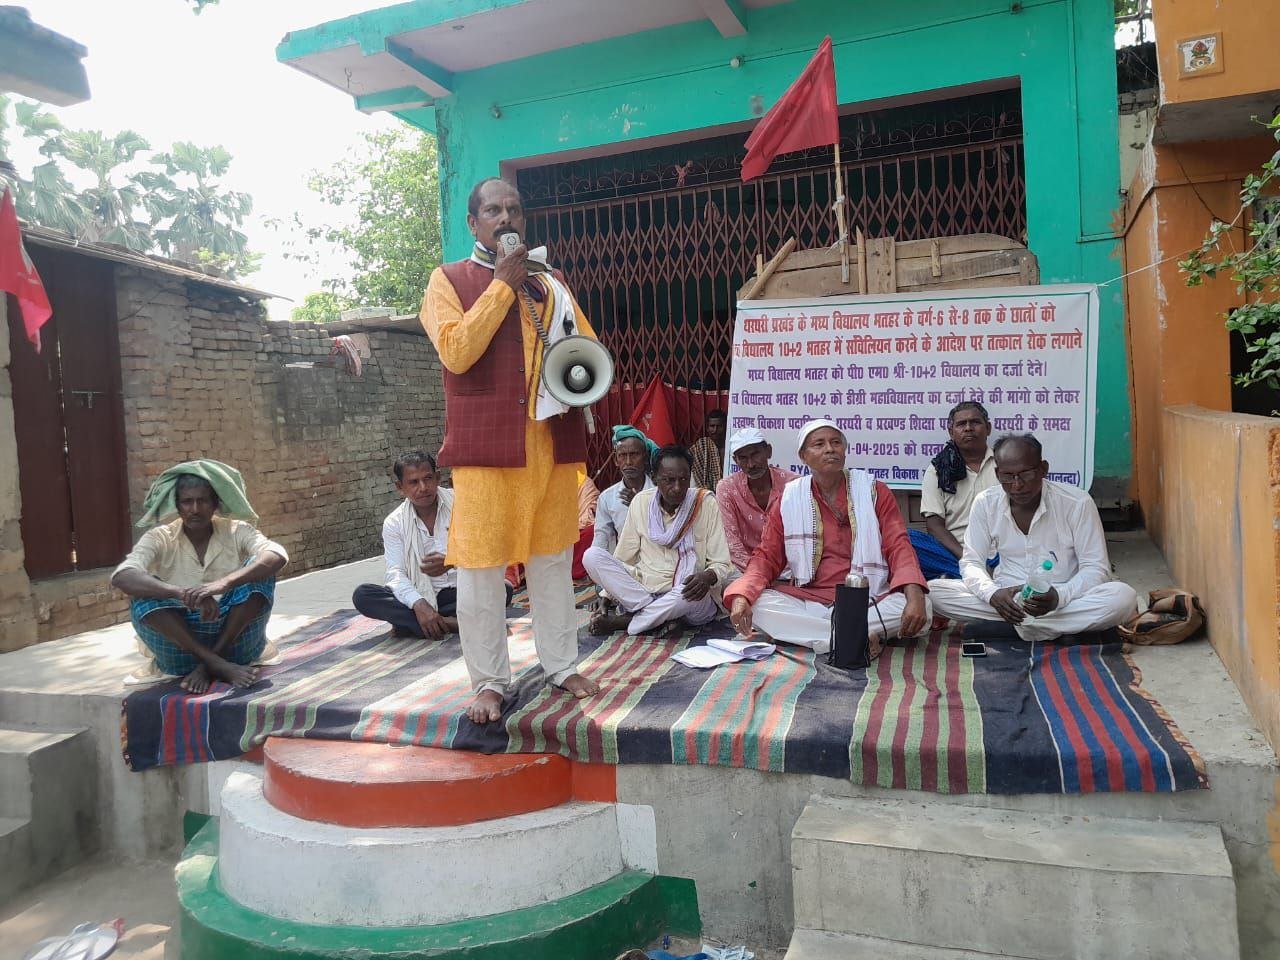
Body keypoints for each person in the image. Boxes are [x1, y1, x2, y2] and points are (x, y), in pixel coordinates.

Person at [421, 176, 600, 724]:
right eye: (494, 211)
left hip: (549, 445)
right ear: (473, 223)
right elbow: (456, 352)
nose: (506, 219)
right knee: (481, 571)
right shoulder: (447, 280)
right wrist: (502, 286)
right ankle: (490, 683)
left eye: (514, 210)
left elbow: (586, 352)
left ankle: (561, 665)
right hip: (487, 452)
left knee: (553, 562)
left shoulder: (552, 283)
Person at [725, 421, 930, 655]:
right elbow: (766, 557)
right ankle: (851, 637)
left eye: (835, 443)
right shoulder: (790, 498)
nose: (830, 449)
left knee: (921, 605)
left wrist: (914, 594)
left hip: (867, 598)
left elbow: (898, 545)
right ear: (803, 456)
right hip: (809, 599)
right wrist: (743, 594)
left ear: (845, 450)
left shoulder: (874, 491)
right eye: (819, 444)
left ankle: (825, 635)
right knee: (757, 604)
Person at [928, 433, 1138, 642]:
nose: (1017, 485)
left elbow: (1096, 568)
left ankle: (1016, 629)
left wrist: (1059, 597)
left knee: (1123, 597)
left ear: (1043, 469)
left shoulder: (1077, 503)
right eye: (1008, 476)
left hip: (1061, 597)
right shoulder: (985, 503)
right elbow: (971, 562)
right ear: (997, 474)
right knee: (933, 592)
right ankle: (1059, 629)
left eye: (1025, 474)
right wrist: (992, 594)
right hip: (1007, 599)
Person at [111, 461, 288, 694]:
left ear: (215, 504)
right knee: (142, 593)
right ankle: (216, 664)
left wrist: (222, 584)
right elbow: (122, 576)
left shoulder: (237, 530)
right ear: (177, 506)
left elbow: (277, 555)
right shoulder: (159, 537)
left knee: (259, 572)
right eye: (187, 501)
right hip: (180, 653)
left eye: (203, 501)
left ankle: (208, 665)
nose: (195, 509)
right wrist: (183, 594)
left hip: (237, 646)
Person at [352, 451, 513, 639]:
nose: (423, 488)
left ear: (437, 477)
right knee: (363, 595)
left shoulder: (462, 503)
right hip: (421, 593)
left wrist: (453, 561)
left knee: (504, 589)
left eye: (428, 479)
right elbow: (395, 573)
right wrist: (419, 604)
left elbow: (488, 549)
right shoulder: (394, 523)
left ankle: (416, 624)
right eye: (413, 482)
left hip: (463, 590)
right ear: (400, 487)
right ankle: (451, 623)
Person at [583, 445, 733, 635]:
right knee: (591, 556)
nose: (677, 488)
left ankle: (624, 622)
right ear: (654, 478)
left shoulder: (705, 503)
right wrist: (607, 597)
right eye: (669, 480)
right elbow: (623, 558)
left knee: (686, 595)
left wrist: (707, 577)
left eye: (683, 479)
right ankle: (660, 617)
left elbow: (722, 563)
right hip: (644, 592)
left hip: (687, 596)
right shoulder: (641, 502)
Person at [910, 401, 998, 579]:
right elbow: (934, 526)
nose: (968, 428)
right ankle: (981, 574)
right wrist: (970, 560)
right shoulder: (938, 470)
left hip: (1000, 552)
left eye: (975, 422)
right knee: (908, 539)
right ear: (951, 432)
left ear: (988, 428)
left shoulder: (1005, 464)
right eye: (961, 424)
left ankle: (967, 576)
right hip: (956, 553)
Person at [716, 427, 799, 574]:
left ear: (768, 451)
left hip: (790, 570)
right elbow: (732, 544)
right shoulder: (727, 488)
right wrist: (758, 573)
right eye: (743, 458)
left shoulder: (793, 484)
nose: (751, 464)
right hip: (744, 569)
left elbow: (801, 540)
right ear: (735, 460)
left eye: (755, 455)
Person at [592, 425, 657, 553]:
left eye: (634, 455)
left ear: (645, 458)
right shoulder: (607, 498)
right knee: (591, 555)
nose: (628, 462)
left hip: (656, 557)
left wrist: (639, 505)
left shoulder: (659, 491)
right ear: (616, 460)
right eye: (622, 455)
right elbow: (601, 539)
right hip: (625, 560)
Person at [689, 408, 727, 491]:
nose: (715, 430)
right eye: (712, 426)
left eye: (719, 426)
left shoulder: (731, 446)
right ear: (707, 428)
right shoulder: (702, 446)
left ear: (726, 427)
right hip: (706, 491)